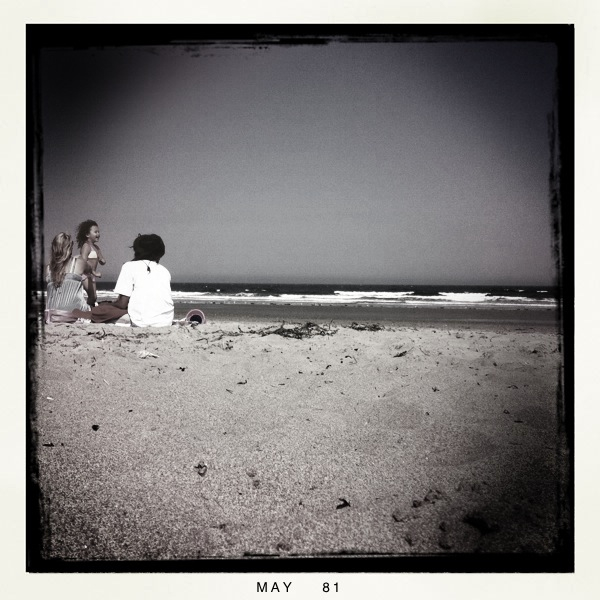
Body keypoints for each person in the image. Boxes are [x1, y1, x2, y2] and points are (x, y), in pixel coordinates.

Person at [111, 234, 174, 327]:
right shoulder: (165, 271)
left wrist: (109, 304)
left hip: (141, 321)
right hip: (166, 321)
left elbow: (122, 303)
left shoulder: (129, 266)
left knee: (101, 310)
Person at [46, 232, 93, 316]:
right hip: (73, 315)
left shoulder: (49, 268)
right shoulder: (79, 263)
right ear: (70, 247)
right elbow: (90, 269)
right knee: (86, 275)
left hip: (51, 315)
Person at [76, 220, 105, 307]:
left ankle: (89, 310)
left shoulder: (96, 247)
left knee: (93, 297)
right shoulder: (86, 246)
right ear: (87, 234)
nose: (98, 234)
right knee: (92, 296)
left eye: (98, 232)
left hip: (91, 275)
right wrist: (94, 272)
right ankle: (86, 310)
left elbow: (101, 259)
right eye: (95, 232)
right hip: (85, 275)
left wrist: (102, 260)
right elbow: (83, 262)